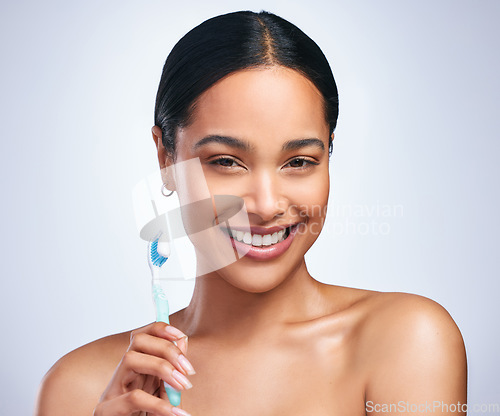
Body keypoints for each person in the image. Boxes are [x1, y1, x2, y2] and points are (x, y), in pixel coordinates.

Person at [35, 10, 467, 416]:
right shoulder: (80, 388)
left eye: (298, 161)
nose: (265, 205)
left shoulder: (407, 343)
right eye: (226, 161)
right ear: (166, 157)